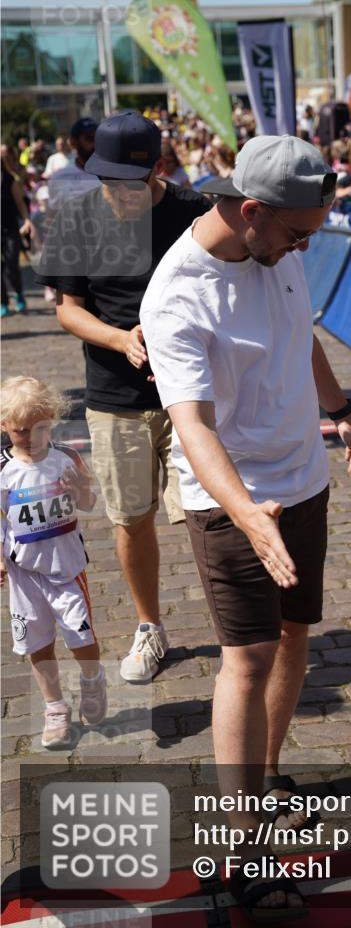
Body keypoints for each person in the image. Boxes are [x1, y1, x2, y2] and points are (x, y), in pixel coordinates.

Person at [140, 134, 351, 920]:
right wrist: (246, 514)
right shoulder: (177, 294)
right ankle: (242, 850)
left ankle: (263, 781)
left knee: (297, 636)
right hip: (231, 497)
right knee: (247, 659)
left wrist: (339, 409)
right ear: (250, 212)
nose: (305, 246)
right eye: (299, 233)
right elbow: (193, 428)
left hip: (301, 479)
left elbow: (300, 333)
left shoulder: (280, 248)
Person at [36, 110, 211, 684]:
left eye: (127, 183)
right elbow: (68, 309)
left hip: (196, 394)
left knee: (209, 518)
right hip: (114, 395)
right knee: (131, 519)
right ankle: (148, 627)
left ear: (159, 170)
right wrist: (121, 340)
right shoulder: (78, 215)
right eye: (105, 180)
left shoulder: (197, 214)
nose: (116, 193)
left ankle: (234, 628)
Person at [0, 377, 107, 749]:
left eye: (40, 428)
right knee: (37, 643)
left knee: (81, 637)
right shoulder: (3, 469)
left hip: (66, 569)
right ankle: (55, 708)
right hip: (24, 575)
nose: (31, 438)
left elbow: (90, 501)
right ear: (4, 427)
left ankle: (93, 679)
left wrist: (78, 489)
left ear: (52, 419)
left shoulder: (67, 457)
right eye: (20, 431)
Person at [1, 151, 34, 317]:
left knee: (11, 265)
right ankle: (3, 302)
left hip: (10, 229)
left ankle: (19, 294)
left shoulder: (9, 180)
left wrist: (27, 220)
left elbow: (20, 203)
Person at [46, 118, 100, 214]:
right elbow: (53, 216)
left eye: (98, 138)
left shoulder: (112, 175)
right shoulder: (58, 178)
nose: (95, 144)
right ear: (73, 142)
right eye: (90, 138)